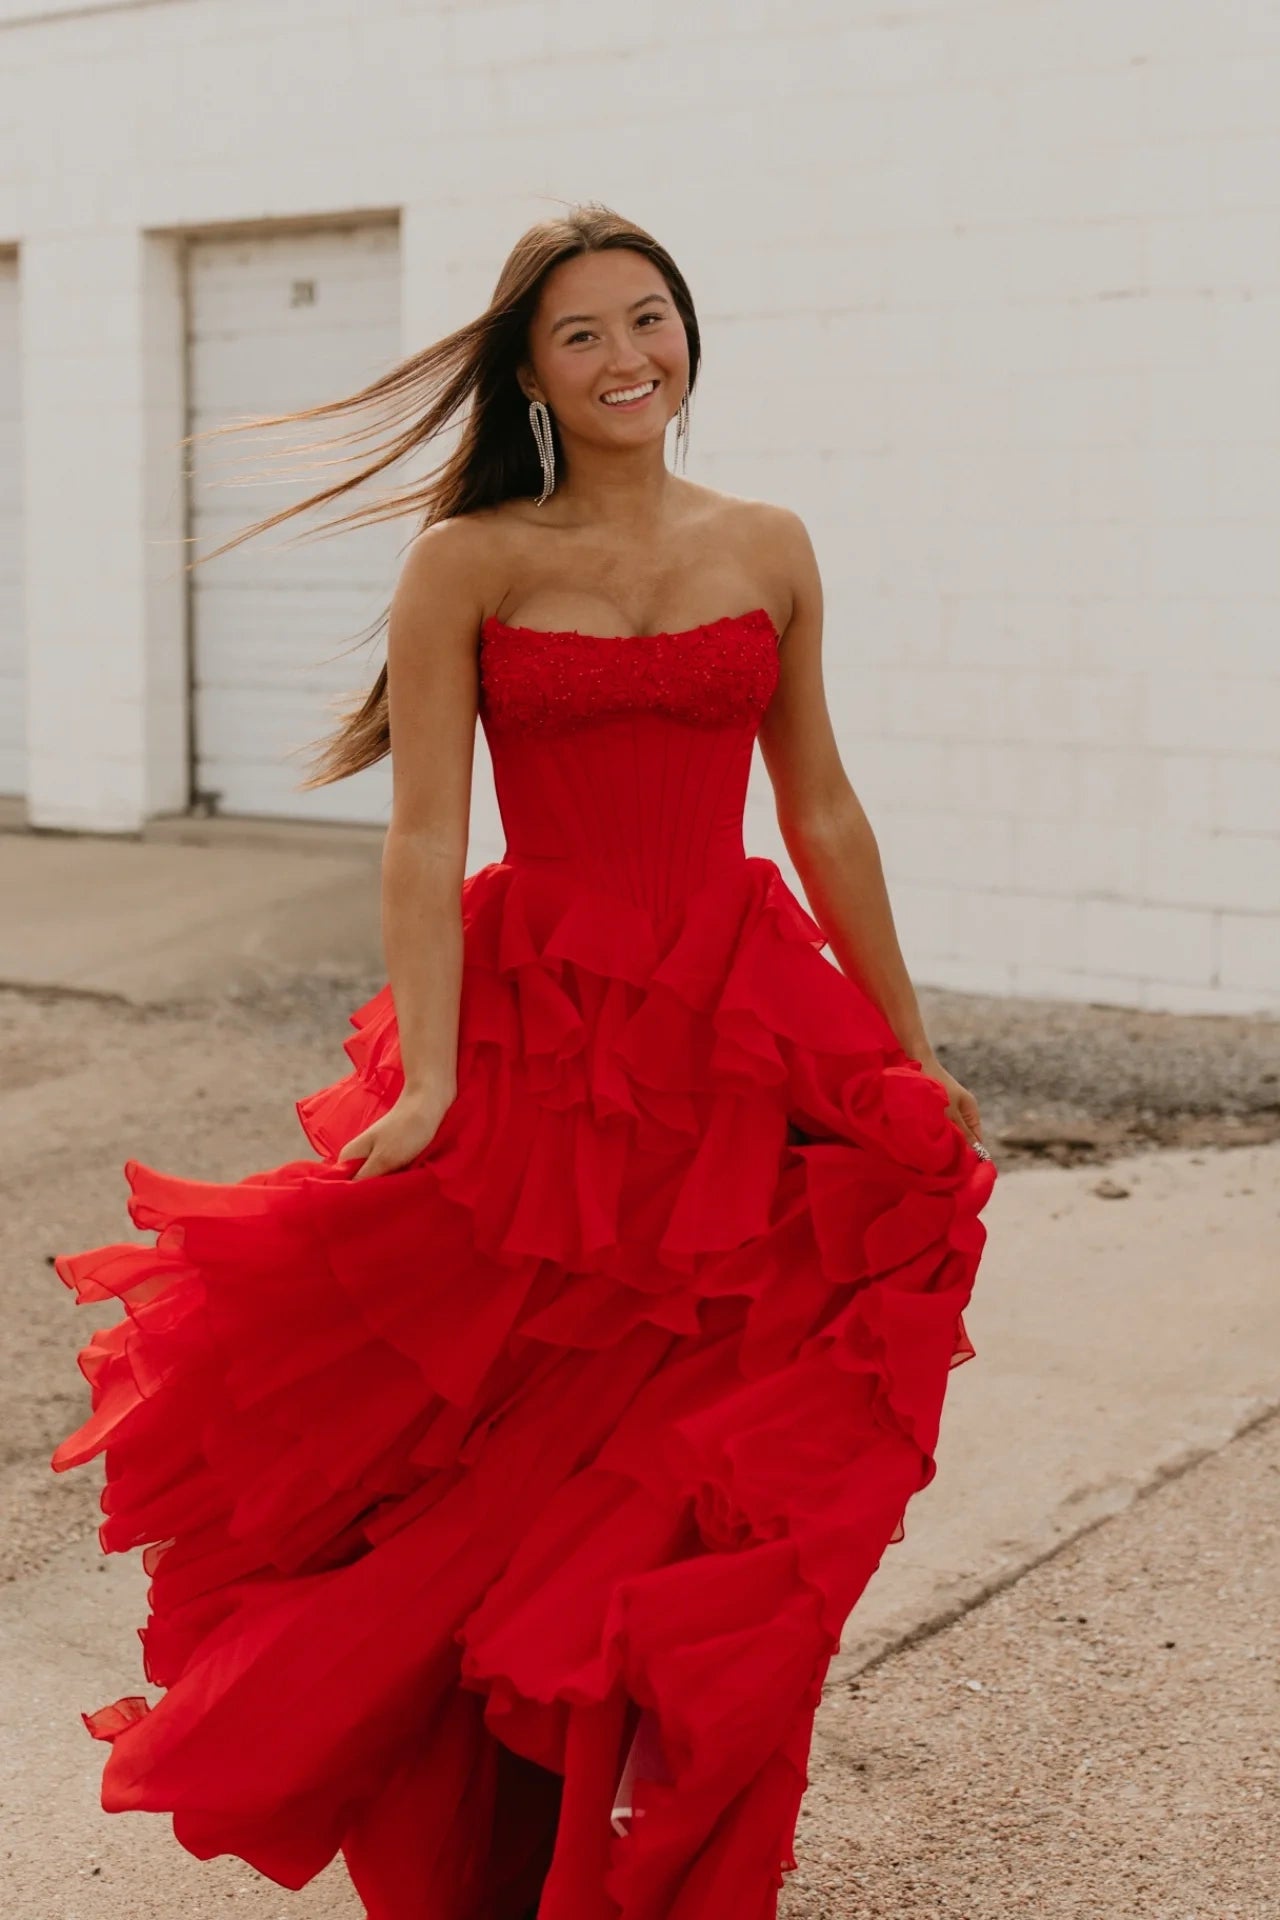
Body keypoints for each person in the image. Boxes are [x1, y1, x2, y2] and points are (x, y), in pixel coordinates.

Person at [50, 203, 997, 1920]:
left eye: (653, 319)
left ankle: (652, 1851)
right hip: (541, 1034)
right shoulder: (468, 562)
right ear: (530, 372)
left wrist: (904, 1056)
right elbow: (423, 841)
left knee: (683, 1483)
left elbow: (824, 807)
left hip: (732, 1027)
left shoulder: (770, 543)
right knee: (498, 1465)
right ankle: (491, 1849)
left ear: (690, 336)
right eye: (583, 333)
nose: (629, 355)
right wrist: (428, 1076)